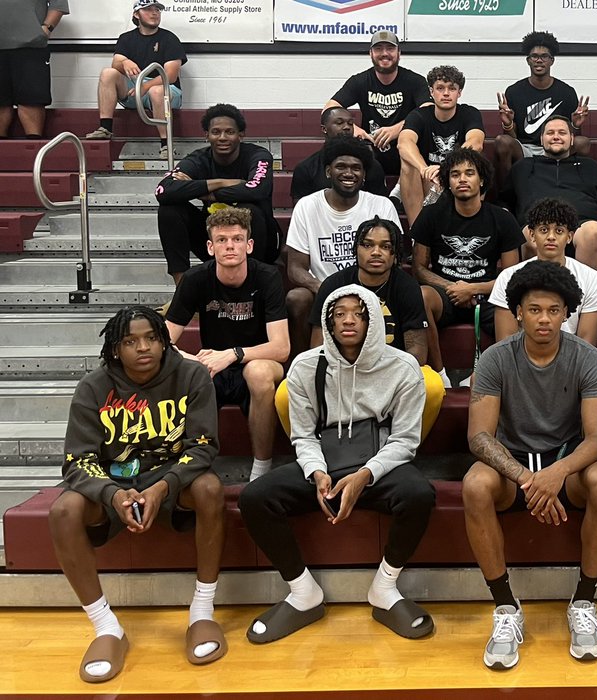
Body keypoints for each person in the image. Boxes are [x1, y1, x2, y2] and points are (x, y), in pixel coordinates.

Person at [239, 286, 436, 644]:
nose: (348, 320)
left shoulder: (403, 366)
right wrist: (317, 473)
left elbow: (406, 441)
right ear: (328, 320)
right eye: (339, 313)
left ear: (373, 320)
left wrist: (365, 475)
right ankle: (303, 593)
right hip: (326, 463)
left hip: (377, 466)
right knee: (255, 497)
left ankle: (385, 588)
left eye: (358, 313)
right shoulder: (305, 366)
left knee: (419, 493)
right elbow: (302, 435)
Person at [49, 306, 223, 683]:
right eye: (130, 341)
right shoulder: (94, 387)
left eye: (151, 338)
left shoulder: (192, 376)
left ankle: (202, 613)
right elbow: (78, 459)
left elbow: (204, 446)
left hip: (171, 482)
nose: (143, 347)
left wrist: (164, 487)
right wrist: (112, 494)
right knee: (64, 510)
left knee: (210, 488)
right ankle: (106, 627)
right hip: (113, 483)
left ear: (164, 341)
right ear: (115, 349)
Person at [464, 261, 597, 668]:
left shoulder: (587, 357)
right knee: (475, 485)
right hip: (512, 464)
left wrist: (556, 473)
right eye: (534, 310)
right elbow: (479, 436)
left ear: (567, 312)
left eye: (553, 310)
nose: (544, 319)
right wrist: (529, 479)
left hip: (567, 462)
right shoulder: (495, 358)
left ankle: (583, 601)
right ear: (517, 312)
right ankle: (506, 608)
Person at [273, 217, 445, 442]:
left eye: (385, 246)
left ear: (395, 255)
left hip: (389, 371)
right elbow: (318, 346)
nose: (376, 252)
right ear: (356, 249)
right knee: (285, 394)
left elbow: (418, 352)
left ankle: (398, 450)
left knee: (432, 386)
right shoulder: (334, 284)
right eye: (368, 245)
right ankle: (316, 448)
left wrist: (378, 371)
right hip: (340, 371)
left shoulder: (407, 286)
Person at [165, 208, 289, 483]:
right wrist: (191, 359)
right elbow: (162, 341)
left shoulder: (267, 277)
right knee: (189, 371)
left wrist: (232, 355)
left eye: (236, 239)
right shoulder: (196, 279)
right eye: (221, 240)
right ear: (210, 247)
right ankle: (192, 465)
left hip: (257, 362)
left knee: (257, 372)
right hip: (213, 367)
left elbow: (281, 348)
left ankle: (261, 468)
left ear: (249, 245)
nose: (229, 246)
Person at [284, 135, 400, 361]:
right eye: (341, 167)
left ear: (365, 174)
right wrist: (325, 288)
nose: (349, 173)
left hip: (373, 290)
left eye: (356, 168)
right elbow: (295, 268)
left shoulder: (381, 205)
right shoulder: (307, 206)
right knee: (296, 298)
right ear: (328, 171)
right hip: (322, 291)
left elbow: (394, 258)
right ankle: (301, 367)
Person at [410, 147, 522, 373]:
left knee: (513, 305)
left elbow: (512, 276)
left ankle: (504, 376)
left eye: (469, 173)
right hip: (445, 294)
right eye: (455, 174)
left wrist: (472, 289)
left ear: (481, 181)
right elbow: (419, 269)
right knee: (421, 296)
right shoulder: (431, 215)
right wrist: (454, 288)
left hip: (487, 294)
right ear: (447, 182)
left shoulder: (501, 218)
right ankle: (439, 373)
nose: (462, 179)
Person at [154, 103, 277, 284]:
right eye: (216, 132)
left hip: (259, 243)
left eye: (229, 132)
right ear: (207, 135)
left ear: (240, 135)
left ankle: (251, 288)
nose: (222, 137)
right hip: (214, 240)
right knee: (169, 210)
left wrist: (208, 195)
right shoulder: (198, 159)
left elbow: (258, 190)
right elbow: (163, 191)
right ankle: (182, 290)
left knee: (249, 209)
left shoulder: (258, 155)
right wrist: (220, 182)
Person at [502, 114, 597, 275]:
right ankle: (539, 295)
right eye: (550, 133)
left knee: (595, 232)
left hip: (582, 223)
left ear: (572, 139)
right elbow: (504, 201)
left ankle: (583, 297)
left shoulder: (591, 167)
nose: (556, 137)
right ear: (541, 139)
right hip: (537, 221)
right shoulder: (523, 167)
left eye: (562, 133)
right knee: (533, 236)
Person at [489, 198, 597, 346]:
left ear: (570, 236)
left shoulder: (592, 279)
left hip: (573, 360)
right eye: (544, 230)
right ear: (532, 235)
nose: (551, 237)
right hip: (521, 360)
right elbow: (505, 344)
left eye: (559, 231)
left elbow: (586, 346)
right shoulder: (508, 277)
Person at [83, 0, 184, 158]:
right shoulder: (126, 38)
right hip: (134, 90)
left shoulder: (169, 38)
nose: (154, 13)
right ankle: (105, 128)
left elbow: (170, 76)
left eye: (157, 9)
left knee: (156, 91)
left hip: (165, 90)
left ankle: (166, 145)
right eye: (148, 9)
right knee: (107, 73)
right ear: (136, 14)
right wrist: (125, 61)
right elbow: (115, 64)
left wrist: (145, 87)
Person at [493, 31, 591, 194]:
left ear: (552, 61)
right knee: (501, 141)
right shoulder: (514, 91)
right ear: (528, 60)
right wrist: (508, 123)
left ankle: (577, 194)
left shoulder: (566, 92)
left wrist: (574, 124)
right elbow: (512, 139)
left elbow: (572, 137)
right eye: (534, 56)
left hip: (556, 147)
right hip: (525, 149)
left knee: (582, 142)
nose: (539, 60)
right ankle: (507, 199)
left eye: (544, 56)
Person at [326, 30, 429, 176]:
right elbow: (329, 109)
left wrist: (398, 129)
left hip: (406, 153)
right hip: (370, 153)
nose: (384, 53)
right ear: (371, 53)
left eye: (390, 49)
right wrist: (352, 128)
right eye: (378, 49)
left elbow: (428, 111)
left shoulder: (415, 81)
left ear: (399, 53)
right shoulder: (359, 81)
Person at [396, 64, 485, 225]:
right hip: (428, 178)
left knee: (476, 161)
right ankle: (417, 231)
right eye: (440, 88)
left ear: (459, 92)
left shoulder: (469, 113)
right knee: (408, 164)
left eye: (452, 88)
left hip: (456, 175)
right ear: (431, 92)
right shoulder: (419, 115)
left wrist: (446, 167)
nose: (445, 93)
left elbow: (476, 142)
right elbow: (404, 143)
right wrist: (423, 169)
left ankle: (470, 225)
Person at [290, 107, 388, 204]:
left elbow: (380, 205)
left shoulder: (371, 165)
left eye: (350, 123)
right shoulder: (306, 168)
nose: (347, 127)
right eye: (339, 123)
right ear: (324, 129)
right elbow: (301, 209)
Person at [0, 0, 68, 138]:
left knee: (31, 101)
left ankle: (34, 149)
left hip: (31, 46)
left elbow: (59, 4)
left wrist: (46, 28)